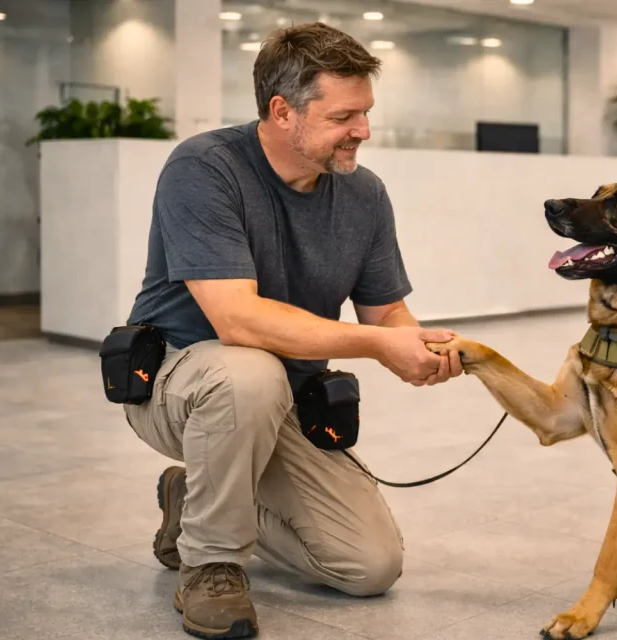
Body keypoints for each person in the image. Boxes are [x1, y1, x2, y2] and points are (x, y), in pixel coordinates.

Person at [122, 22, 461, 640]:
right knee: (247, 369)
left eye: (366, 113)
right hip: (183, 382)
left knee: (369, 566)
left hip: (279, 399)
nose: (362, 130)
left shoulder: (364, 194)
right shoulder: (204, 169)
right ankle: (209, 565)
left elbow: (386, 312)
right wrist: (377, 346)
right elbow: (237, 319)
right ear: (283, 111)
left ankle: (192, 496)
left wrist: (417, 345)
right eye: (344, 116)